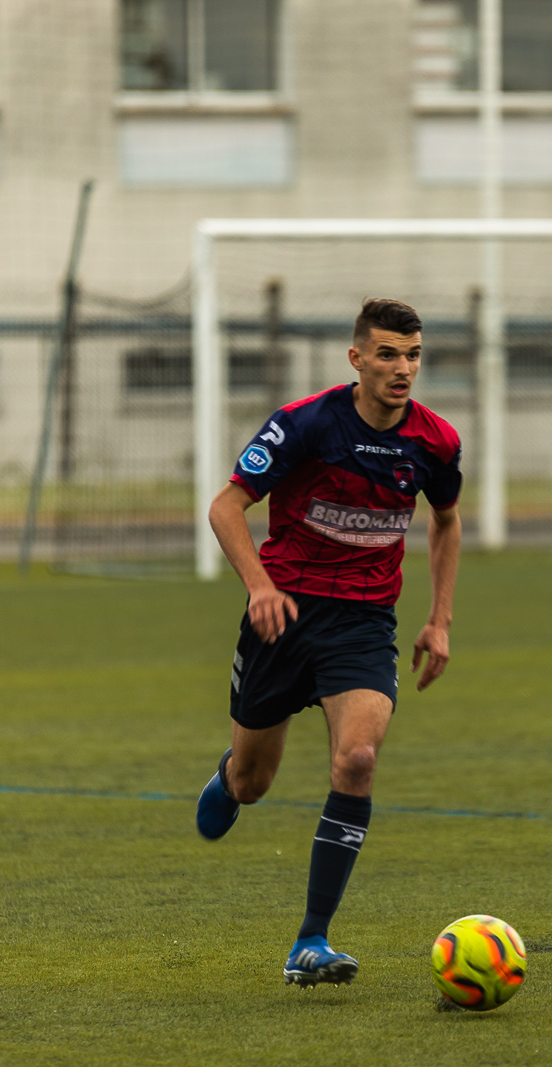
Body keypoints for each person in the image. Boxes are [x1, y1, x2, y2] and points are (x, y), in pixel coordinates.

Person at [194, 297, 463, 988]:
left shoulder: (435, 441)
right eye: (387, 354)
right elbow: (226, 506)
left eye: (413, 355)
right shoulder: (306, 423)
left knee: (358, 759)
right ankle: (230, 775)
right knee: (254, 783)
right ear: (357, 358)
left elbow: (446, 520)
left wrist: (439, 619)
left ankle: (310, 939)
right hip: (281, 618)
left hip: (363, 624)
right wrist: (259, 587)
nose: (402, 369)